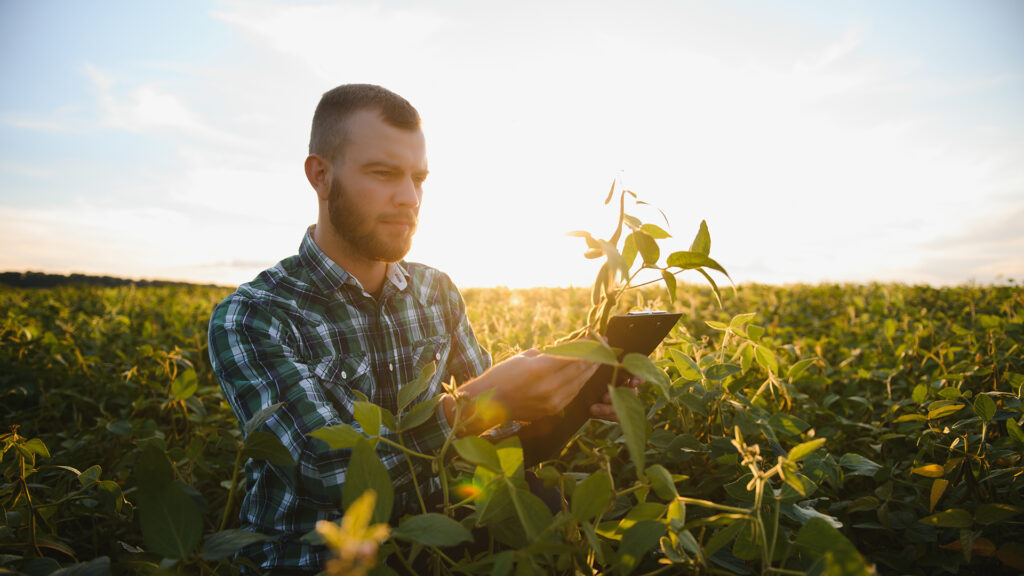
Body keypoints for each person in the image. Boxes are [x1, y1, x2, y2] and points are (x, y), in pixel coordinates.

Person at [207, 84, 630, 574]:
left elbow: (501, 442)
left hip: (440, 540)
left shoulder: (436, 292)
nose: (409, 198)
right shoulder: (256, 315)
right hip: (315, 560)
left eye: (419, 179)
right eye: (384, 173)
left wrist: (570, 399)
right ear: (321, 176)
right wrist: (471, 408)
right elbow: (325, 469)